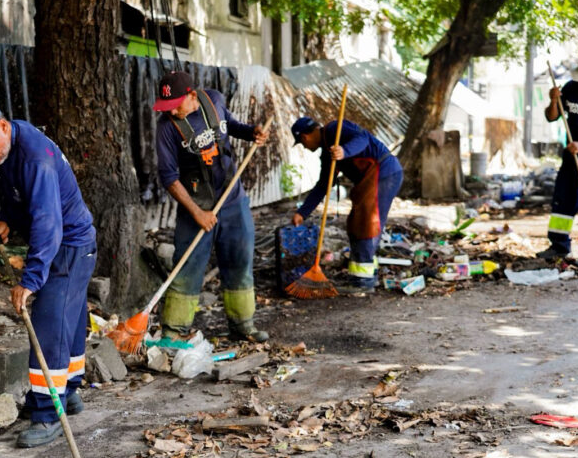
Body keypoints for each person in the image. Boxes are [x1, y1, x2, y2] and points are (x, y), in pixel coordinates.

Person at [0, 97, 97, 448]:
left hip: (68, 245)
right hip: (72, 242)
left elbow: (48, 224)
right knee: (69, 320)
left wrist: (30, 281)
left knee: (49, 325)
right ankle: (70, 392)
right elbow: (22, 197)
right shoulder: (9, 148)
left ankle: (48, 414)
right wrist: (7, 220)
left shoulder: (36, 159)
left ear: (2, 126)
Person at [153, 70, 269, 342]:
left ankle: (243, 325)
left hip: (233, 201)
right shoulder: (166, 128)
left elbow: (231, 125)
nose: (171, 112)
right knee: (187, 267)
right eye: (166, 108)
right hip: (196, 207)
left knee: (240, 262)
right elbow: (169, 178)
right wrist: (197, 213)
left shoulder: (213, 100)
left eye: (175, 106)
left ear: (192, 96)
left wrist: (252, 133)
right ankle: (173, 332)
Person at [290, 116, 403, 294]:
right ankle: (364, 275)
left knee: (367, 223)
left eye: (302, 143)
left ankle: (363, 282)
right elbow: (323, 185)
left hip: (383, 173)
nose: (304, 146)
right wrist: (302, 212)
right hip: (370, 180)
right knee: (356, 223)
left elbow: (363, 139)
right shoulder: (327, 154)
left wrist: (344, 150)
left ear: (305, 136)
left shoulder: (334, 129)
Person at [540, 51, 578, 267]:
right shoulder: (570, 88)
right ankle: (558, 245)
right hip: (571, 153)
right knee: (563, 197)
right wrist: (554, 101)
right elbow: (551, 116)